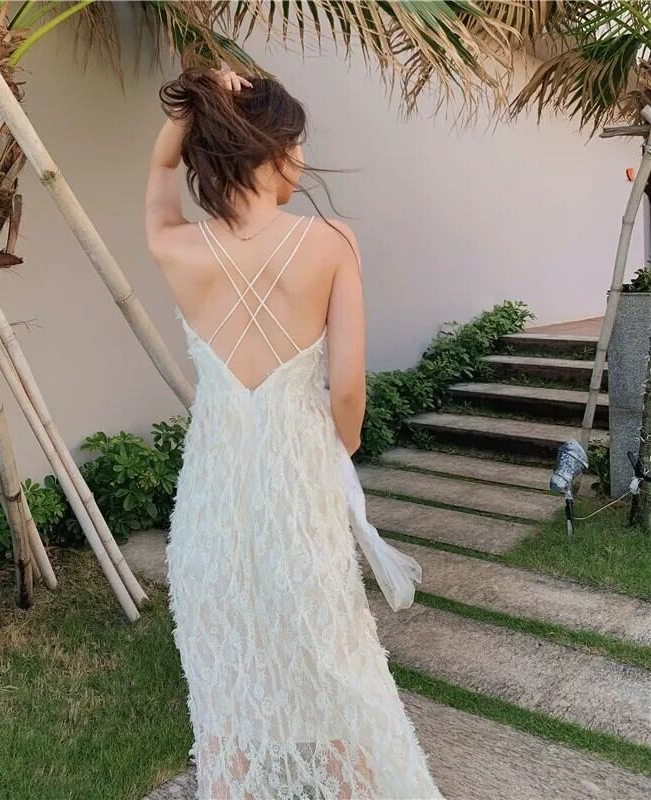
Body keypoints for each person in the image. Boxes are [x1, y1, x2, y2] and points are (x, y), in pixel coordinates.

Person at [145, 65, 443, 800]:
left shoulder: (176, 248)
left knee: (228, 687)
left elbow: (159, 174)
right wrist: (339, 447)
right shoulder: (331, 241)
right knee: (335, 668)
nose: (304, 157)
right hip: (296, 484)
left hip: (212, 501)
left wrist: (189, 110)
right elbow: (348, 388)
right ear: (272, 149)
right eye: (297, 142)